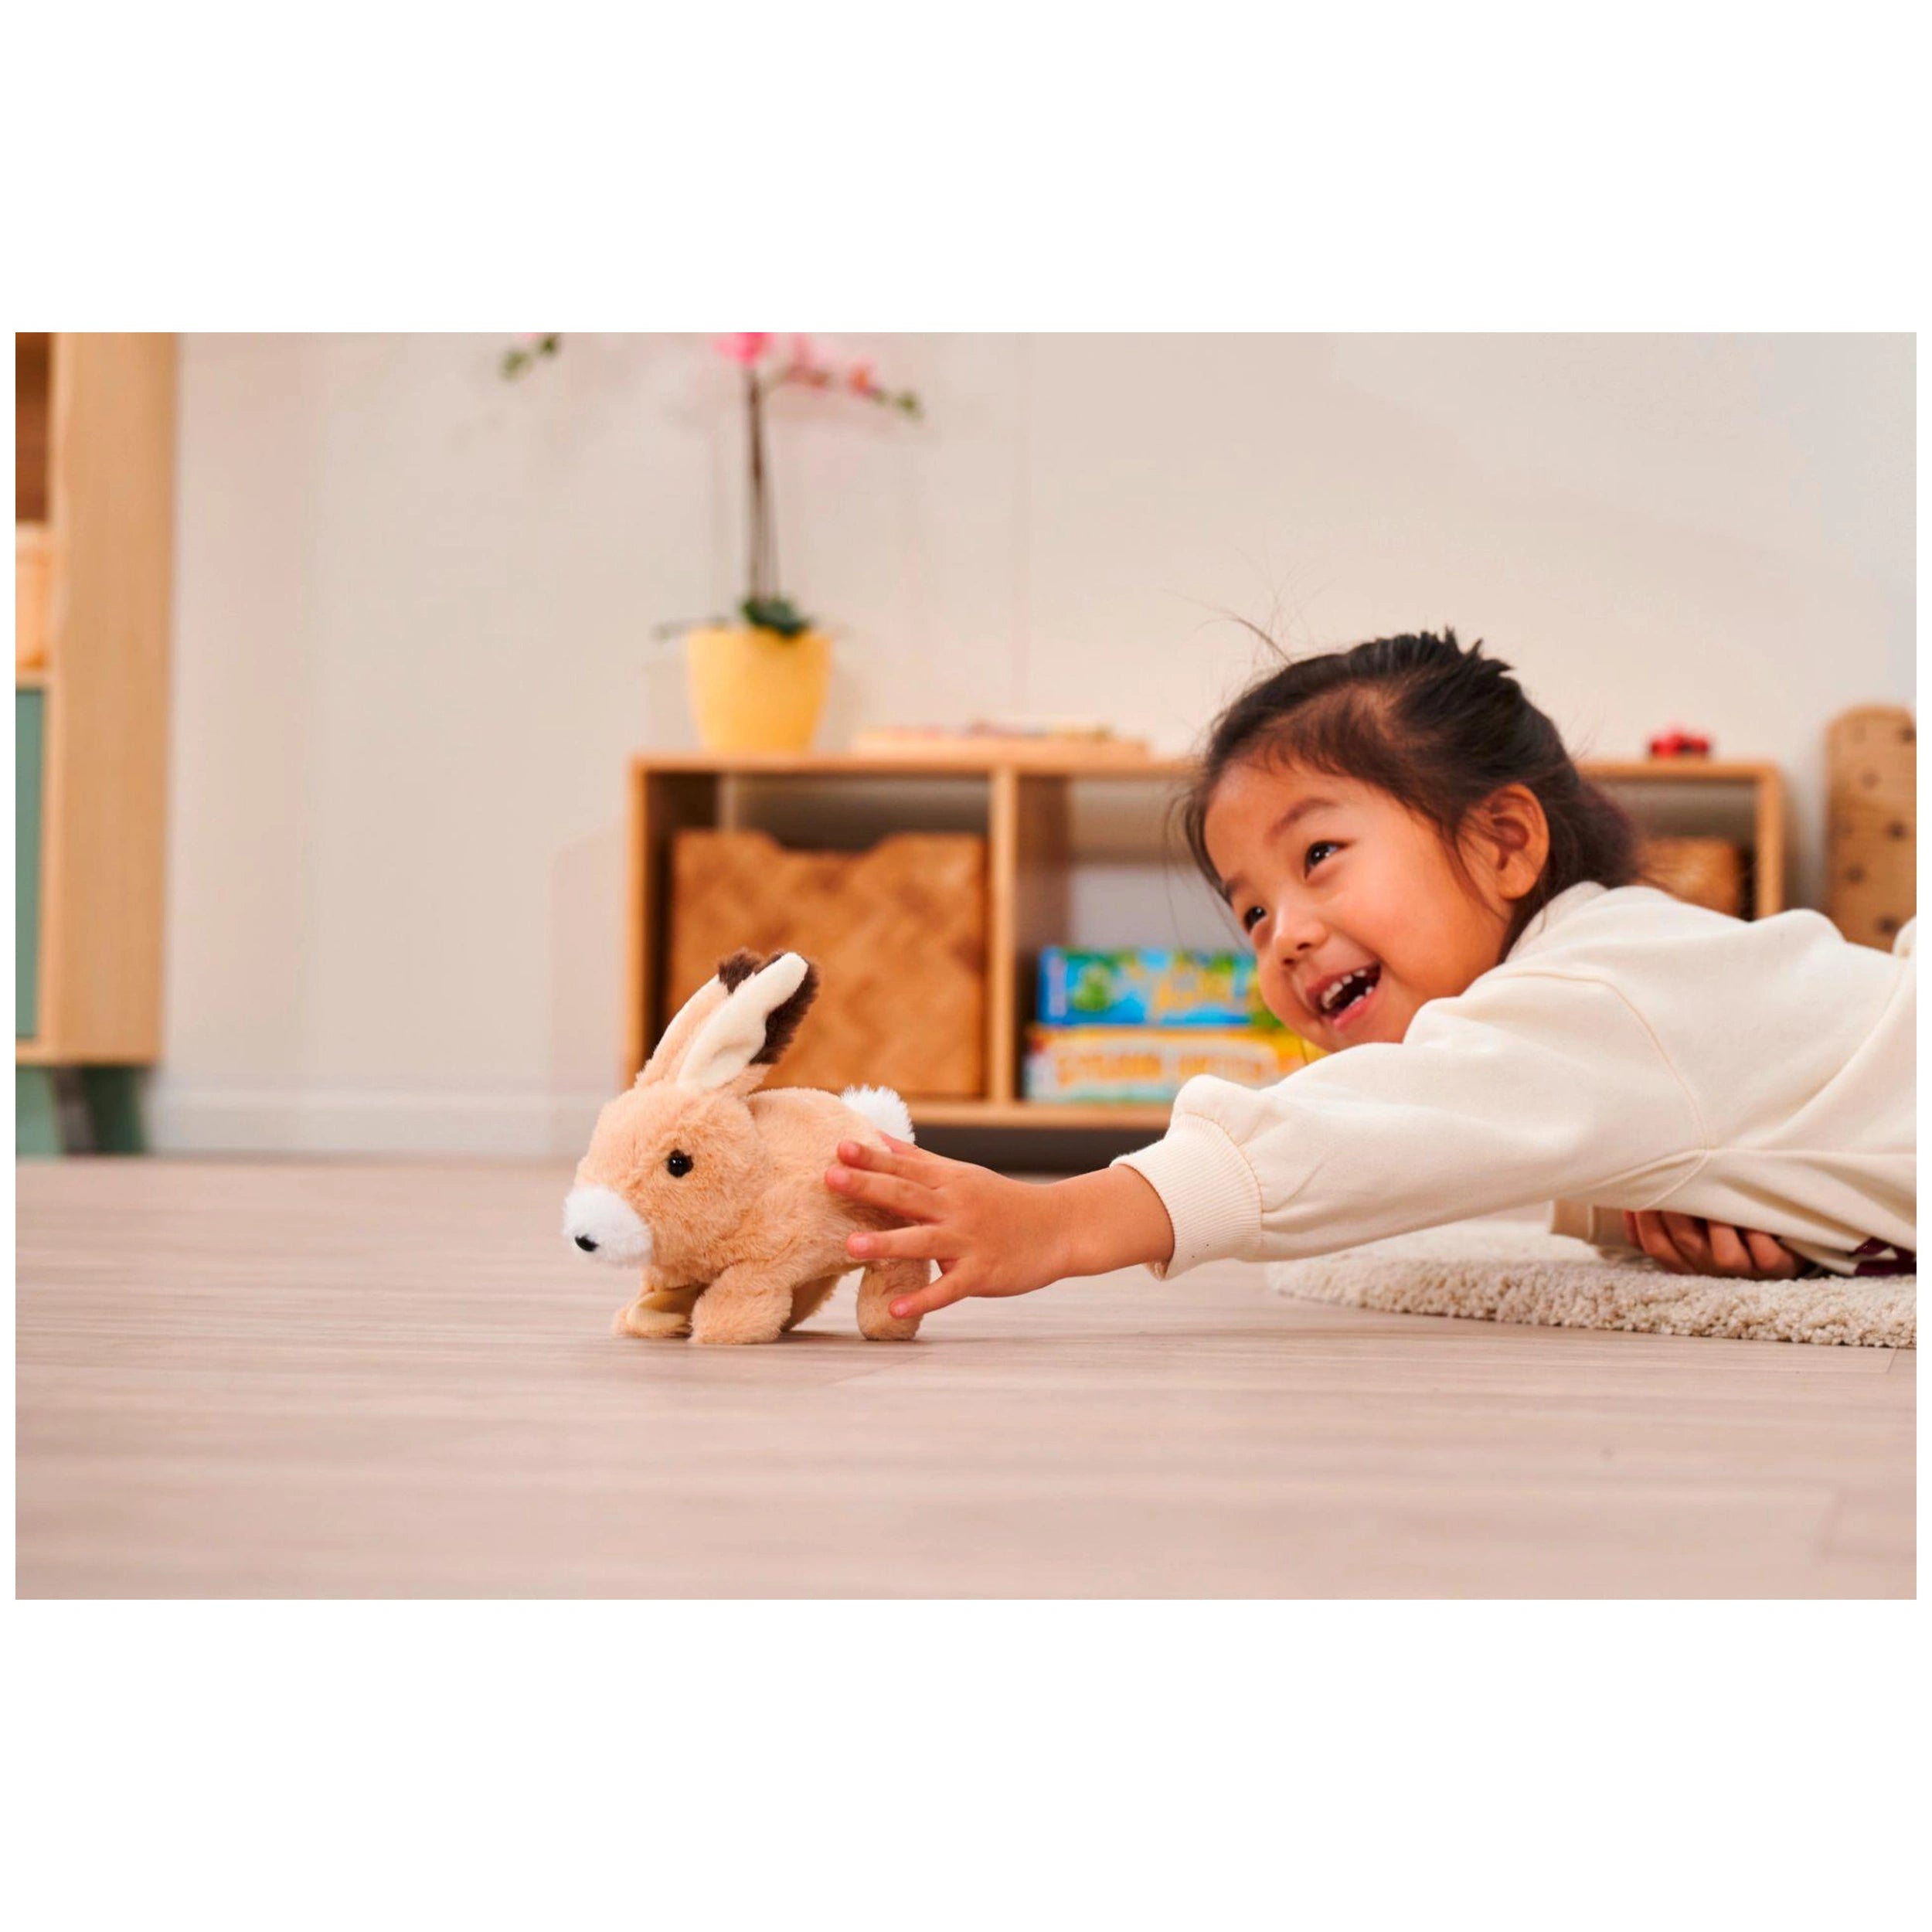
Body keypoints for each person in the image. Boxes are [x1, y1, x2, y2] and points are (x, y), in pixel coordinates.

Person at [825, 631, 1917, 1321]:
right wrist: (1671, 1202)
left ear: (1503, 843)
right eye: (1252, 912)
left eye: (1319, 857)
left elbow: (1371, 1131)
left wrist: (1064, 1222)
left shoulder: (1607, 985)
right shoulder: (1609, 1011)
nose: (1285, 938)